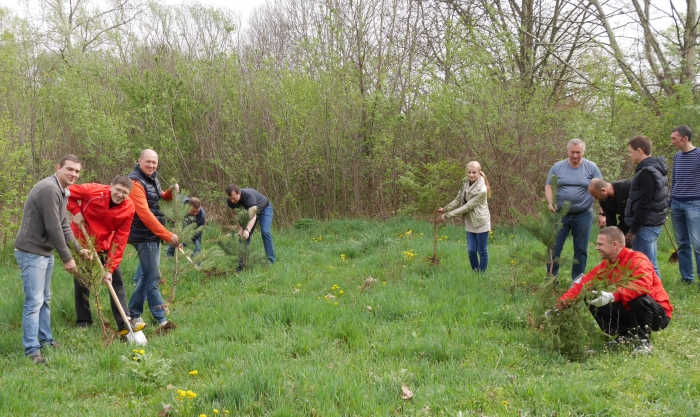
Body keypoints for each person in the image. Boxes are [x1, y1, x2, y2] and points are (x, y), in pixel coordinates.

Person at [14, 154, 90, 364]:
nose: (74, 174)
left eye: (77, 171)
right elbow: (53, 228)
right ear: (59, 168)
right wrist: (67, 258)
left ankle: (46, 340)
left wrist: (78, 249)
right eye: (70, 170)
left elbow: (63, 224)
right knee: (34, 302)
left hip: (43, 252)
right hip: (31, 252)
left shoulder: (62, 190)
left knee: (44, 299)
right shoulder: (49, 189)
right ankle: (32, 350)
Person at [557, 227, 672, 354]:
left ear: (615, 245)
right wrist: (559, 306)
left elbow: (642, 286)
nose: (597, 247)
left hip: (657, 314)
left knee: (639, 298)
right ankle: (623, 336)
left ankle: (643, 342)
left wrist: (613, 296)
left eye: (600, 244)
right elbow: (583, 284)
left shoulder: (638, 259)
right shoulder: (607, 265)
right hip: (630, 310)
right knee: (590, 295)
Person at [67, 175, 146, 336]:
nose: (120, 194)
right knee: (83, 280)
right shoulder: (93, 191)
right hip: (83, 240)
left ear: (129, 193)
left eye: (124, 192)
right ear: (111, 186)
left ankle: (124, 322)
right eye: (118, 190)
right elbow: (65, 192)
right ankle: (84, 321)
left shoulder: (129, 208)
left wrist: (109, 268)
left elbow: (121, 239)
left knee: (116, 279)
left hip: (104, 243)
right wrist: (75, 211)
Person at [127, 149, 179, 329]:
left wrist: (169, 194)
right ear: (139, 160)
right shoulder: (135, 182)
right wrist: (167, 234)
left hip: (151, 234)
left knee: (148, 275)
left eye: (154, 162)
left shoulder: (151, 178)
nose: (151, 165)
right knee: (153, 276)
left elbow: (157, 197)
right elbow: (145, 214)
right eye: (147, 161)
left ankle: (134, 311)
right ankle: (158, 317)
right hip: (143, 235)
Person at [545, 139, 602, 279]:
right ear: (567, 152)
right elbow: (549, 186)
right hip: (561, 215)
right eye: (572, 152)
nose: (575, 155)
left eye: (578, 152)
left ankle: (577, 281)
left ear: (583, 152)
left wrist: (602, 212)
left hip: (584, 214)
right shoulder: (558, 167)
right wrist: (550, 202)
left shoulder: (591, 168)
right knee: (554, 248)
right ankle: (551, 279)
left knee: (581, 250)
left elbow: (601, 190)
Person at [435, 161, 491, 272]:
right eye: (469, 172)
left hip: (481, 221)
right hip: (470, 221)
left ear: (479, 173)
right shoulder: (465, 182)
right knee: (471, 250)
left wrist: (447, 216)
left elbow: (467, 207)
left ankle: (481, 275)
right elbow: (458, 199)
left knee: (481, 250)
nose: (471, 175)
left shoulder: (482, 190)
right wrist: (445, 209)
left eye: (474, 172)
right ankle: (475, 273)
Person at [624, 136, 668, 277]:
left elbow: (644, 203)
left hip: (646, 225)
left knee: (646, 266)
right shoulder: (656, 169)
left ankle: (655, 298)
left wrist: (632, 230)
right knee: (650, 264)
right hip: (652, 223)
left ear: (639, 151)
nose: (629, 155)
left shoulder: (647, 172)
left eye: (630, 152)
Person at [670, 125, 700, 284]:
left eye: (674, 138)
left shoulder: (699, 154)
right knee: (682, 243)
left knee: (698, 244)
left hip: (695, 203)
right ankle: (687, 278)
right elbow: (674, 179)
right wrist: (670, 199)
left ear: (685, 138)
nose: (672, 141)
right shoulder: (677, 156)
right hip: (677, 203)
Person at [225, 185, 275, 267]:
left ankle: (270, 261)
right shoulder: (230, 200)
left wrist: (247, 230)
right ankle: (242, 265)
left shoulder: (249, 197)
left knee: (265, 232)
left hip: (264, 209)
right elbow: (234, 215)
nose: (232, 200)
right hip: (250, 213)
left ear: (239, 193)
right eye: (230, 198)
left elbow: (253, 217)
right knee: (243, 237)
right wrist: (240, 229)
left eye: (234, 198)